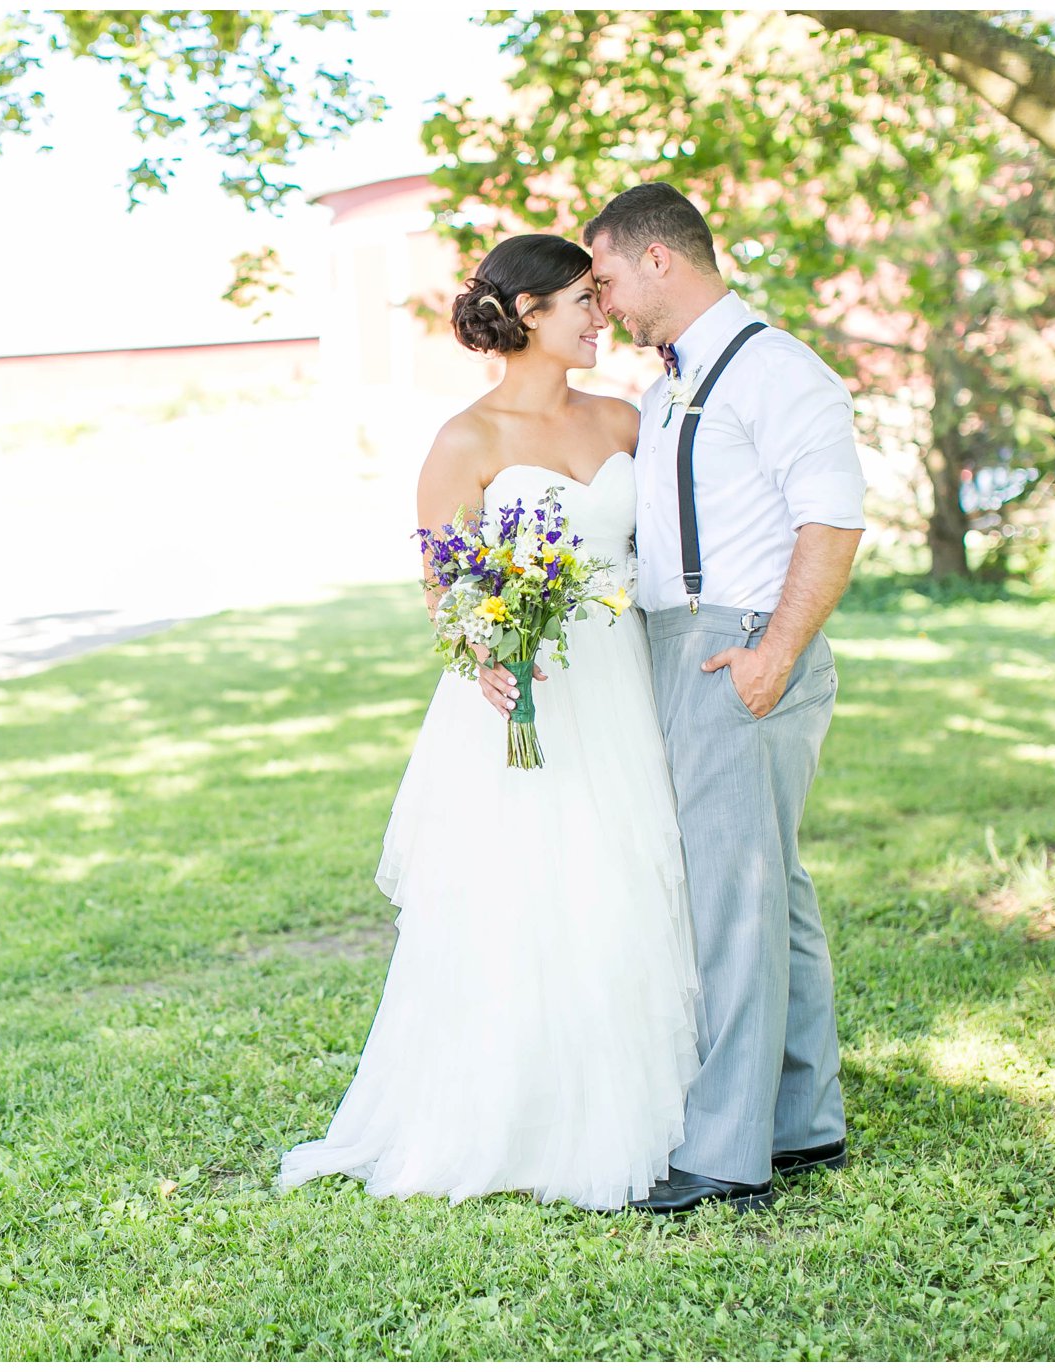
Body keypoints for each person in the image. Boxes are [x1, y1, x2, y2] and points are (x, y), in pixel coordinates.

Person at [277, 233, 704, 1211]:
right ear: (526, 314)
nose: (601, 318)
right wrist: (484, 655)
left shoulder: (625, 418)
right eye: (582, 302)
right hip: (521, 692)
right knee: (523, 897)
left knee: (622, 877)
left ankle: (656, 1100)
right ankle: (518, 1115)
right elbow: (441, 584)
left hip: (621, 683)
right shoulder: (461, 441)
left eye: (602, 301)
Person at [482, 183, 864, 1215]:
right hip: (673, 645)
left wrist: (771, 651)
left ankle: (726, 1150)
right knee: (766, 888)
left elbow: (829, 519)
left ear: (657, 261)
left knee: (730, 899)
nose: (597, 301)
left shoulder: (777, 371)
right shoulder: (671, 385)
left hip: (735, 646)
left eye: (600, 276)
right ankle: (802, 1119)